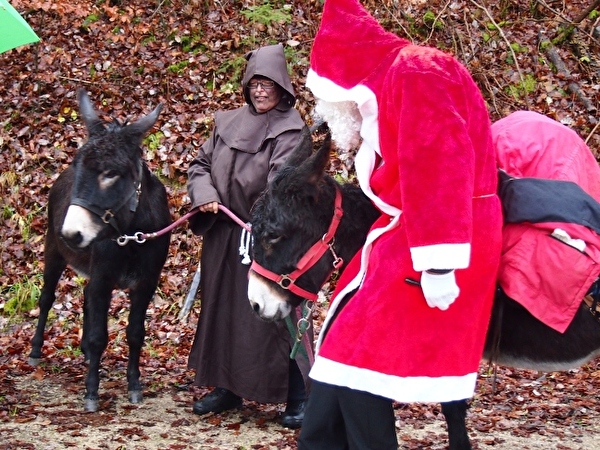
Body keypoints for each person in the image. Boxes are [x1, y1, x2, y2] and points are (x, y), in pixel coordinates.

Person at [298, 0, 503, 448]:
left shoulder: (417, 72)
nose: (329, 113)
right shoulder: (398, 79)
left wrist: (440, 263)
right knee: (340, 343)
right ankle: (319, 440)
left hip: (444, 233)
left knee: (360, 351)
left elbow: (440, 165)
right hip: (407, 230)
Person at [186, 44, 312, 429]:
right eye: (255, 83)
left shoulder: (292, 131)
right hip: (223, 236)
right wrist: (205, 195)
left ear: (282, 88)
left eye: (268, 84)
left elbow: (282, 185)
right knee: (223, 312)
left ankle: (299, 394)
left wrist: (257, 220)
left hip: (269, 238)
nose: (260, 91)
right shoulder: (226, 122)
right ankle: (227, 386)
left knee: (277, 316)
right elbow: (200, 164)